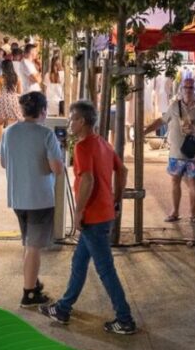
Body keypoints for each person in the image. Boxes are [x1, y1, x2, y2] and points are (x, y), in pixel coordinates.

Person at [41, 100, 137, 336]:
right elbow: (122, 171)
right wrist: (116, 200)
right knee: (79, 262)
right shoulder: (103, 143)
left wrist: (80, 211)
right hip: (105, 213)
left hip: (93, 217)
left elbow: (88, 180)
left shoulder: (83, 147)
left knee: (105, 270)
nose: (69, 123)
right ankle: (63, 308)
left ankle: (124, 319)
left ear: (82, 121)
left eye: (72, 118)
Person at [2, 92, 63, 308]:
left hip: (17, 197)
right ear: (43, 111)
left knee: (28, 243)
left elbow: (4, 163)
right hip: (40, 198)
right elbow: (57, 168)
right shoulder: (46, 134)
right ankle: (29, 294)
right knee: (34, 247)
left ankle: (32, 281)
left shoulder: (9, 132)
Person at [143, 78, 195, 224]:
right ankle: (174, 212)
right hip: (176, 152)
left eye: (191, 88)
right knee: (175, 181)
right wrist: (145, 130)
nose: (188, 90)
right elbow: (162, 121)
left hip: (193, 153)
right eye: (185, 87)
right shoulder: (174, 106)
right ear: (181, 89)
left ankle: (193, 214)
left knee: (193, 182)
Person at [0, 59, 23, 147]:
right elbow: (20, 93)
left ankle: (2, 145)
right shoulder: (17, 78)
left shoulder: (0, 78)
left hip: (3, 101)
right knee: (11, 126)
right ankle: (11, 145)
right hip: (13, 101)